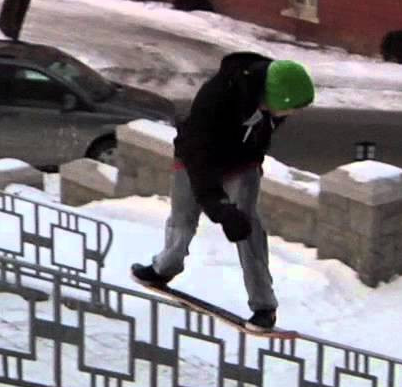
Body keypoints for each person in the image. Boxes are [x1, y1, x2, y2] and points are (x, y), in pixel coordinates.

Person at [131, 53, 315, 331]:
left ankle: (264, 306)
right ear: (270, 97)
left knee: (248, 227)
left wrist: (252, 165)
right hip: (195, 160)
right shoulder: (216, 99)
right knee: (182, 219)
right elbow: (197, 159)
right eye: (288, 109)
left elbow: (261, 135)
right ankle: (163, 269)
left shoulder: (276, 93)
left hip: (242, 164)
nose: (290, 116)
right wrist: (219, 207)